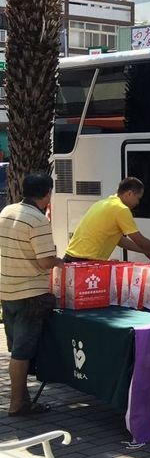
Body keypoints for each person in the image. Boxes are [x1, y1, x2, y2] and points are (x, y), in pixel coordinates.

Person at [0, 173, 63, 416]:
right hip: (30, 294)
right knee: (22, 353)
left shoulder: (7, 211)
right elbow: (45, 261)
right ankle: (17, 403)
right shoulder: (37, 220)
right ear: (47, 193)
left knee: (17, 349)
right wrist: (59, 262)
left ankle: (23, 399)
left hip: (7, 290)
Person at [64, 177, 150, 262]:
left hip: (70, 257)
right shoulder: (121, 209)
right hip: (85, 261)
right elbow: (138, 239)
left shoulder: (103, 203)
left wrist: (146, 251)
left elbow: (119, 240)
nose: (138, 203)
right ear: (129, 193)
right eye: (138, 198)